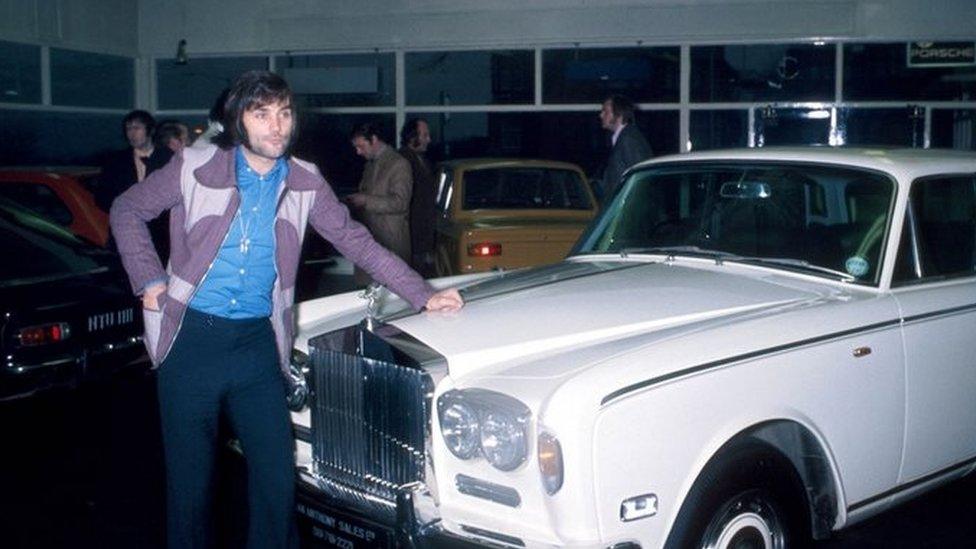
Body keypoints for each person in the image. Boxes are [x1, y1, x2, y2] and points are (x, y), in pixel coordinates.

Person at [109, 70, 463, 549]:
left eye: (284, 113)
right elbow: (127, 209)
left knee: (277, 479)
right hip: (190, 342)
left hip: (256, 347)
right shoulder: (194, 166)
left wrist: (421, 293)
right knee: (191, 491)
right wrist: (149, 279)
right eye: (262, 114)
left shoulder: (304, 181)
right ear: (239, 120)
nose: (277, 126)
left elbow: (356, 240)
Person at [345, 123, 413, 285]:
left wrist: (365, 200)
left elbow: (400, 203)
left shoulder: (399, 164)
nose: (358, 152)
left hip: (392, 244)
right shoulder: (370, 164)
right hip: (371, 242)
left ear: (374, 140)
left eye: (361, 146)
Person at [96, 110, 173, 211]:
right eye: (128, 129)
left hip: (161, 222)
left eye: (137, 128)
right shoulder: (115, 161)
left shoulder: (168, 158)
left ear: (151, 130)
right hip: (126, 220)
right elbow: (103, 196)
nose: (132, 133)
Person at [399, 118, 437, 277]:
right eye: (425, 135)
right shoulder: (403, 161)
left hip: (422, 234)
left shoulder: (422, 160)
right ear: (413, 136)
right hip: (413, 234)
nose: (429, 139)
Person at [599, 94, 652, 201]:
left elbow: (640, 178)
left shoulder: (629, 139)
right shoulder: (624, 138)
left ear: (618, 115)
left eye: (606, 111)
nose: (601, 115)